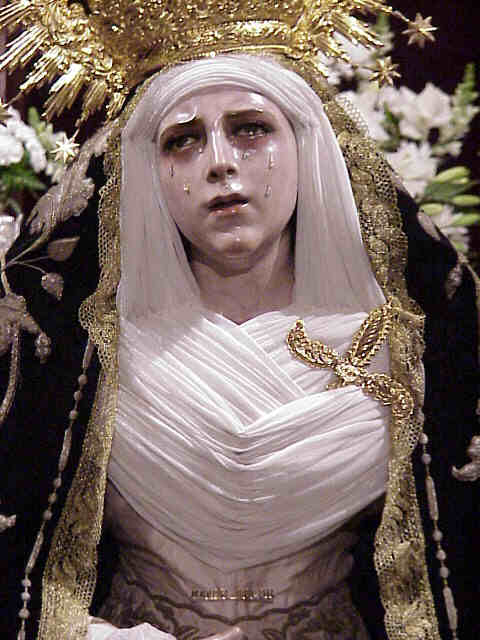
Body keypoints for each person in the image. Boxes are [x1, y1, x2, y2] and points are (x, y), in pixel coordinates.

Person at [0, 5, 478, 640]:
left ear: (309, 146)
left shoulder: (414, 338)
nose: (220, 163)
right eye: (183, 140)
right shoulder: (77, 348)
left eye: (251, 128)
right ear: (147, 171)